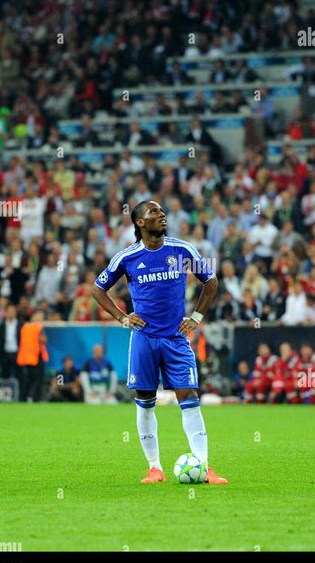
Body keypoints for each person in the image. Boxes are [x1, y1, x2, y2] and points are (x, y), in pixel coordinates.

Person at [92, 200, 227, 484]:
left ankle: (203, 466)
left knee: (189, 398)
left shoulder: (181, 250)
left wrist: (197, 317)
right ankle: (155, 468)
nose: (162, 215)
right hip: (144, 339)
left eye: (162, 211)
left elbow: (211, 281)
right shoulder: (127, 258)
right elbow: (98, 289)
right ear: (140, 222)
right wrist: (121, 317)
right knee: (145, 401)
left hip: (177, 339)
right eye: (154, 212)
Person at [16, 310, 49, 402]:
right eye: (40, 316)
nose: (41, 319)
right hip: (36, 357)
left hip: (26, 358)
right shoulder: (38, 327)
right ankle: (35, 399)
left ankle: (22, 399)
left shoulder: (24, 327)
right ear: (34, 316)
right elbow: (43, 339)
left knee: (28, 381)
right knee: (38, 381)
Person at [0, 305, 22, 379]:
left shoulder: (21, 324)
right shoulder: (1, 325)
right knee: (5, 374)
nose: (11, 313)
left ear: (15, 313)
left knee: (19, 374)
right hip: (5, 353)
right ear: (6, 313)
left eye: (12, 311)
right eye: (9, 311)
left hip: (17, 352)